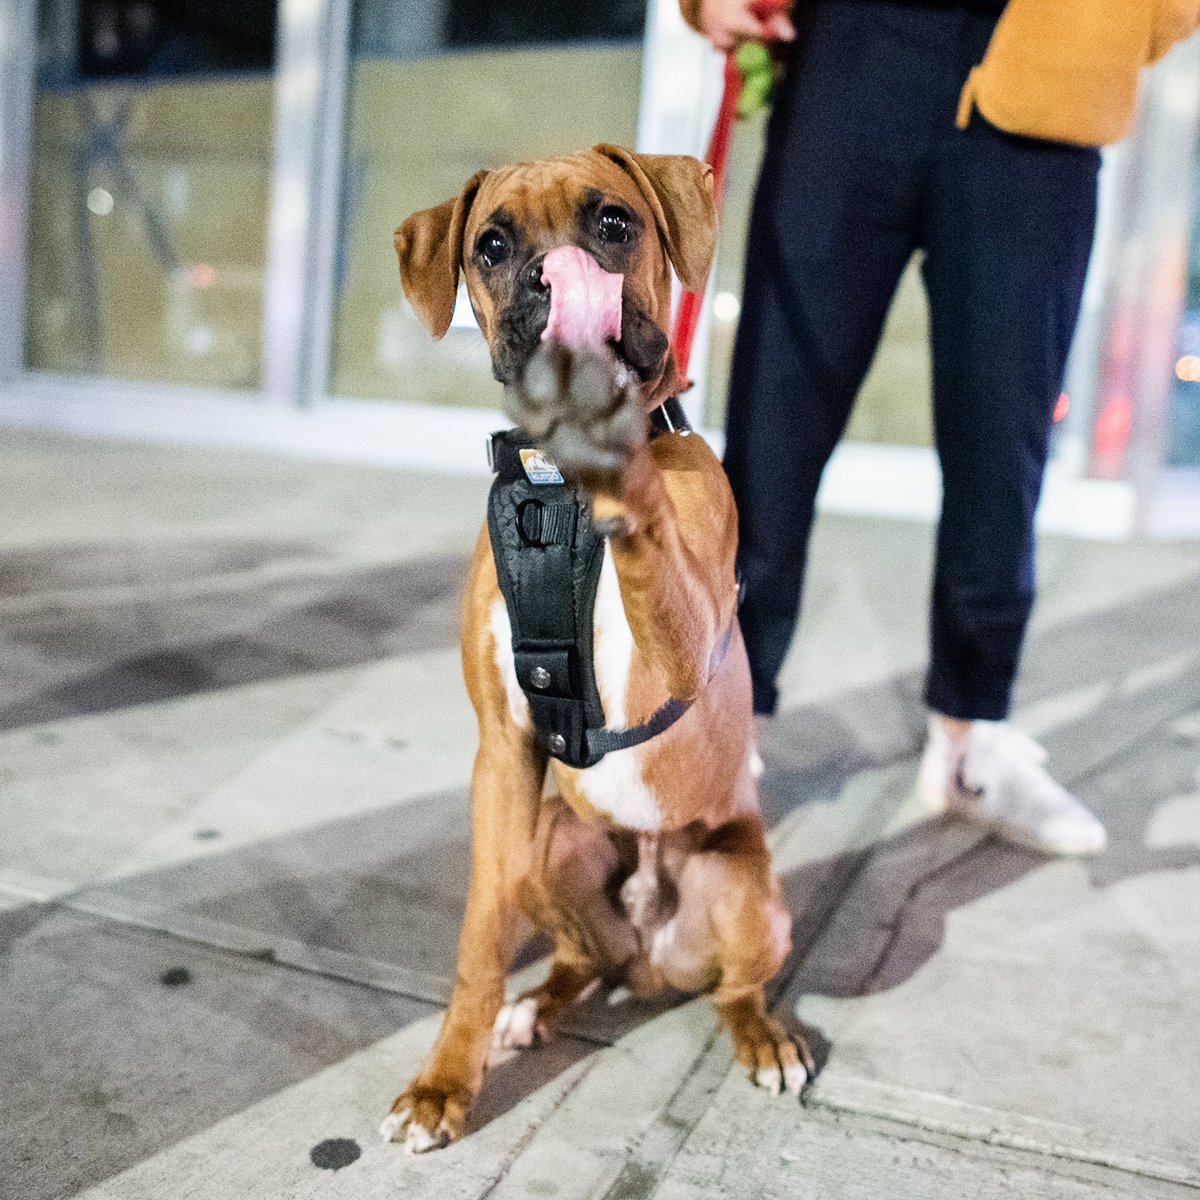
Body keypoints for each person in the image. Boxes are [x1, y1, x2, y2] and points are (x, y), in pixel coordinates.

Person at [681, 0, 1200, 855]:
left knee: (1004, 448)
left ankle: (971, 737)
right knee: (774, 430)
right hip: (852, 56)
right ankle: (719, 729)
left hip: (1044, 83)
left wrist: (1120, 27)